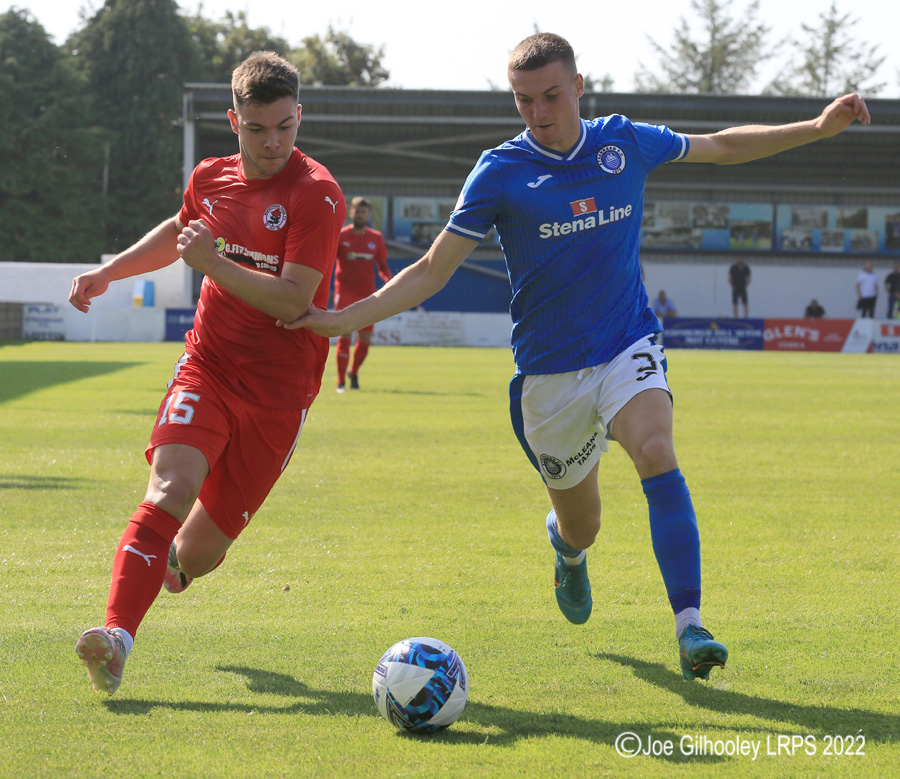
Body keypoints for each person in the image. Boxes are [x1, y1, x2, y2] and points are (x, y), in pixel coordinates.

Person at [283, 33, 870, 681]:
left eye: (551, 96)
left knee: (656, 451)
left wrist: (818, 127)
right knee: (583, 524)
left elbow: (723, 146)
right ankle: (566, 551)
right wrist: (338, 319)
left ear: (579, 87)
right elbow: (430, 270)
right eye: (524, 100)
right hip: (549, 377)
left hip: (627, 343)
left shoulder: (624, 143)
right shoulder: (500, 171)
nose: (538, 111)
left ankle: (690, 623)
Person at [69, 52, 346, 695]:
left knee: (197, 555)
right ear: (234, 122)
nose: (273, 142)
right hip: (210, 366)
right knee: (170, 487)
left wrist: (214, 263)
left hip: (279, 395)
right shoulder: (210, 177)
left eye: (284, 126)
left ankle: (166, 568)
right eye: (257, 129)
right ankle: (115, 638)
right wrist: (112, 271)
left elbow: (293, 301)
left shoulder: (317, 195)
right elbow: (182, 231)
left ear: (298, 115)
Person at [333, 196, 392, 392]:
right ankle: (341, 382)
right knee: (345, 337)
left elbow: (383, 267)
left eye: (363, 212)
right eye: (357, 211)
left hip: (368, 296)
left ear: (368, 215)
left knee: (365, 342)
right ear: (351, 213)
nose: (360, 214)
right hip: (345, 293)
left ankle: (354, 373)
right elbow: (327, 263)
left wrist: (390, 284)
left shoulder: (376, 238)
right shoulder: (341, 236)